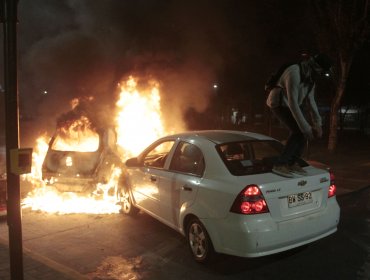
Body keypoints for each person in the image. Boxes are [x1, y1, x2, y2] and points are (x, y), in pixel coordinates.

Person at [266, 53, 333, 177]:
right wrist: (306, 128)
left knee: (303, 131)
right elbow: (293, 103)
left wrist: (318, 124)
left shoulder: (311, 78)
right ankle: (280, 164)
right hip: (279, 103)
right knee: (298, 131)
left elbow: (311, 101)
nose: (320, 75)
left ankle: (291, 163)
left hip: (293, 104)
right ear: (316, 67)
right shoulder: (294, 72)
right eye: (321, 71)